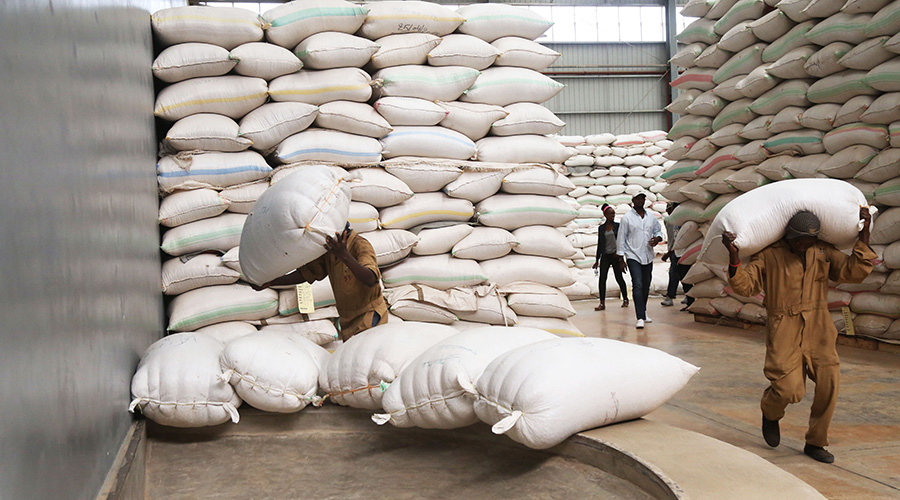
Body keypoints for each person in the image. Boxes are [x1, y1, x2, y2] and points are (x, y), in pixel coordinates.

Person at [722, 209, 874, 464]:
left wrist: (864, 233)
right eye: (799, 241)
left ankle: (816, 442)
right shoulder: (770, 255)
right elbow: (746, 286)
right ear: (789, 236)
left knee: (829, 384)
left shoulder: (823, 251)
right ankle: (770, 412)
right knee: (788, 390)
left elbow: (854, 271)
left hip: (819, 325)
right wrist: (734, 256)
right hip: (784, 325)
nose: (804, 245)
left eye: (809, 241)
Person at [252, 222, 388, 342]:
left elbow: (371, 279)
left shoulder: (360, 245)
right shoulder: (329, 251)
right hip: (347, 320)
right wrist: (271, 281)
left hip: (369, 315)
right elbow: (305, 274)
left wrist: (344, 256)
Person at [617, 191, 663, 329]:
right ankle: (640, 317)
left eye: (642, 198)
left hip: (648, 255)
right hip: (633, 255)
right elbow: (621, 238)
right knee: (637, 284)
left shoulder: (651, 217)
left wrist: (657, 238)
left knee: (646, 285)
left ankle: (643, 311)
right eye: (638, 198)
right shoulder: (627, 218)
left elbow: (658, 230)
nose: (640, 201)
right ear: (633, 200)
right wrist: (621, 258)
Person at [592, 203, 629, 311]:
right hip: (606, 256)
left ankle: (625, 299)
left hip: (616, 256)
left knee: (619, 278)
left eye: (613, 213)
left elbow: (622, 242)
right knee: (602, 279)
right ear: (605, 215)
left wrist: (622, 258)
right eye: (610, 213)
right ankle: (602, 303)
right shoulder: (601, 228)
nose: (613, 215)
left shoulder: (618, 226)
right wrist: (597, 260)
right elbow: (600, 244)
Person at [660, 202, 693, 311]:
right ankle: (688, 298)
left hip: (681, 252)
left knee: (678, 274)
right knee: (679, 275)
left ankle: (678, 297)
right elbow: (672, 238)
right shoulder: (669, 221)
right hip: (676, 252)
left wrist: (668, 253)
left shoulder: (684, 222)